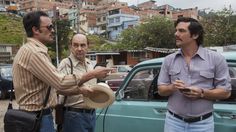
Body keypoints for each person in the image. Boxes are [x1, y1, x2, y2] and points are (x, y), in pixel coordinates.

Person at [12, 11, 110, 132]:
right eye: (49, 27)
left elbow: (53, 86)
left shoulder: (30, 50)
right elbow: (60, 82)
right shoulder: (34, 53)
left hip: (38, 115)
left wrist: (80, 90)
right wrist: (93, 74)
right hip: (39, 116)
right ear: (35, 30)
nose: (53, 30)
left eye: (83, 45)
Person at [158, 17, 231, 132]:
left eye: (181, 31)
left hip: (203, 124)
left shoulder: (216, 59)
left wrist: (202, 93)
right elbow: (161, 90)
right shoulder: (169, 60)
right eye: (176, 30)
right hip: (173, 123)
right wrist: (172, 87)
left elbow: (226, 92)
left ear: (195, 35)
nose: (176, 34)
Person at [58, 33, 113, 132]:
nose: (79, 48)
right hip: (74, 115)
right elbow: (59, 88)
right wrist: (81, 88)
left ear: (88, 47)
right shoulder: (65, 64)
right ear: (71, 47)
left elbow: (91, 88)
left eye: (82, 45)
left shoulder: (89, 64)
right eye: (75, 45)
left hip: (91, 114)